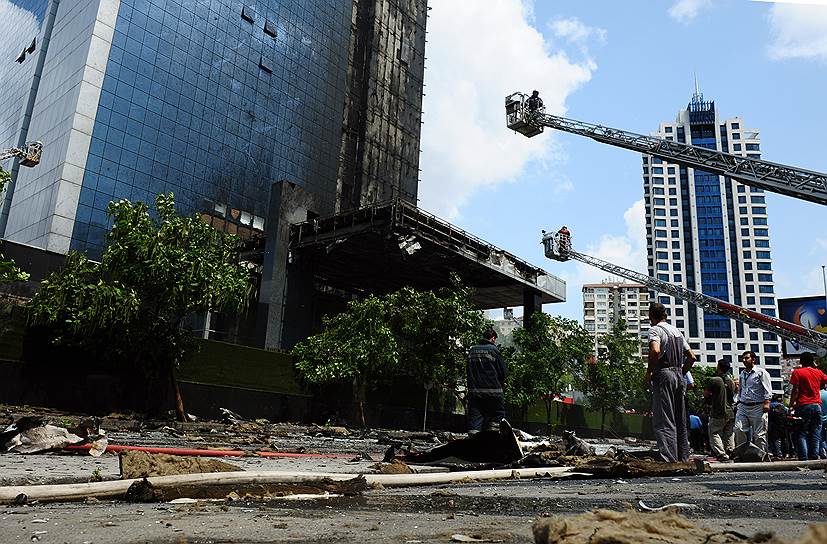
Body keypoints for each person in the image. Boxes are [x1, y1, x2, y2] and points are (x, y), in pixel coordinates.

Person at [646, 302, 696, 462]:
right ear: (665, 316)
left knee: (664, 419)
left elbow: (655, 350)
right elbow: (692, 356)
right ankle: (683, 457)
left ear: (651, 317)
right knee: (680, 419)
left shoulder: (655, 330)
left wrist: (649, 372)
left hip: (664, 374)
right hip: (678, 375)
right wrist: (682, 372)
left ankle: (669, 459)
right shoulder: (677, 331)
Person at [466, 328, 507, 433]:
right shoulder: (494, 350)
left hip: (474, 392)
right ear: (493, 338)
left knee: (475, 421)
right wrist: (503, 383)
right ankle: (492, 441)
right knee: (496, 417)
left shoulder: (472, 350)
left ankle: (474, 444)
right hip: (493, 392)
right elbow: (503, 372)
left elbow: (468, 370)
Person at [789, 352, 827, 460]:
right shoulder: (818, 372)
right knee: (815, 432)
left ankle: (803, 458)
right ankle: (814, 457)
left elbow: (795, 390)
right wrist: (816, 367)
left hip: (803, 406)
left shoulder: (797, 372)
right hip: (816, 406)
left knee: (802, 433)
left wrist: (791, 405)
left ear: (801, 361)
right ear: (812, 361)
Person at [734, 350, 773, 454]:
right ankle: (741, 454)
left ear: (753, 359)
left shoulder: (761, 372)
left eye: (746, 358)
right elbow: (741, 389)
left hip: (758, 406)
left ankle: (761, 455)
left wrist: (767, 402)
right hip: (743, 405)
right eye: (743, 358)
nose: (744, 360)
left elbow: (767, 389)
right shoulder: (742, 373)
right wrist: (738, 401)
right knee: (738, 429)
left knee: (759, 434)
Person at [704, 359, 736, 461]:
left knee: (714, 432)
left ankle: (721, 454)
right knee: (729, 433)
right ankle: (731, 450)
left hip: (718, 411)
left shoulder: (714, 380)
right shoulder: (731, 381)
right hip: (730, 412)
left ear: (718, 367)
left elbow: (706, 394)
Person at [767, 394, 789, 458]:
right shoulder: (783, 406)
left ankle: (777, 453)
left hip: (773, 425)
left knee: (775, 439)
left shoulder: (770, 406)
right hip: (783, 425)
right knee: (784, 439)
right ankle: (785, 453)